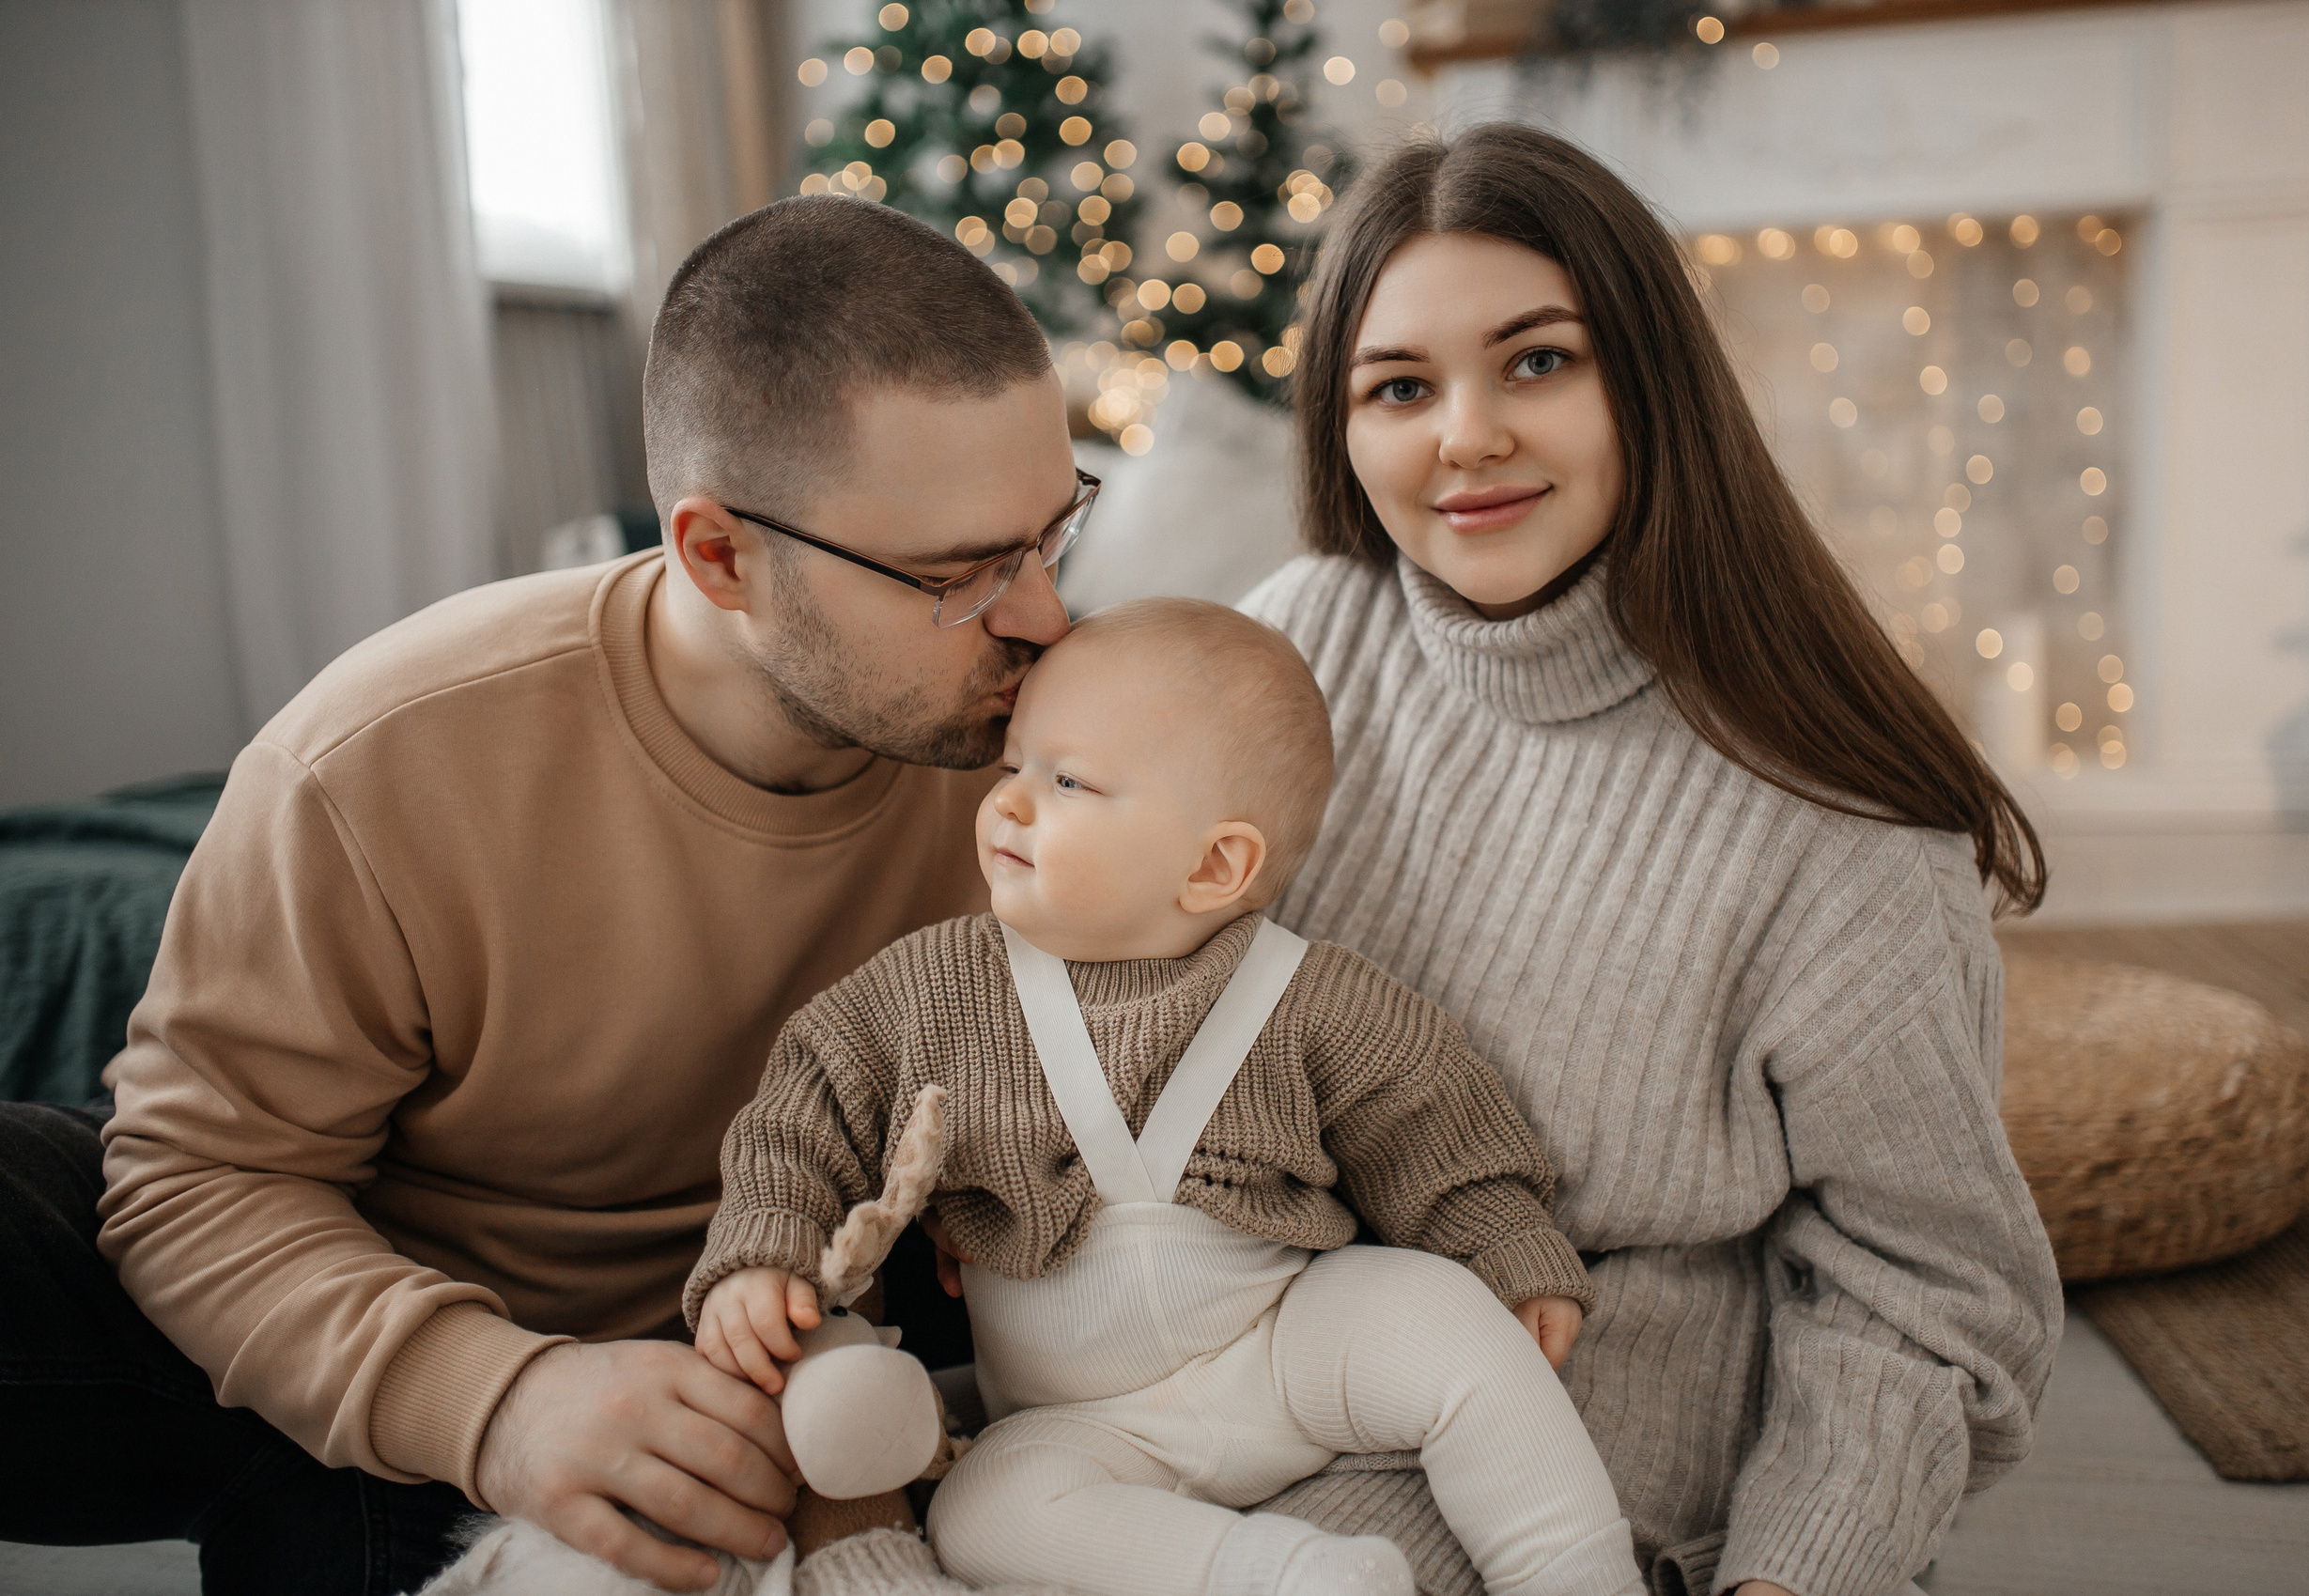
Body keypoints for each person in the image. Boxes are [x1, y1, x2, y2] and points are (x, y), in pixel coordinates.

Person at [0, 194, 1089, 1596]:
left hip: (822, 1374)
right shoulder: (377, 760)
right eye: (961, 576)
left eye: (1053, 535)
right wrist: (497, 1400)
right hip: (411, 1350)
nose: (1043, 616)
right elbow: (195, 1179)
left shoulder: (1068, 738)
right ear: (720, 556)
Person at [1228, 125, 2067, 1596]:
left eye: (1538, 361)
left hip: (1576, 1434)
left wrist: (1795, 1571)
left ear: (1651, 382)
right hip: (1244, 1349)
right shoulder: (1293, 641)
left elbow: (1929, 1288)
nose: (1466, 435)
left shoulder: (1836, 817)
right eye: (1400, 387)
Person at [686, 598, 1646, 1596]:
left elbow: (1435, 1127)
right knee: (981, 1511)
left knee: (1446, 1317)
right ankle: (1290, 1579)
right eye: (1013, 766)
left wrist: (1504, 1245)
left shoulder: (1311, 997)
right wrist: (765, 1249)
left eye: (1066, 781)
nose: (1009, 804)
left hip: (1281, 1341)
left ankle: (1578, 1575)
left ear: (1215, 865)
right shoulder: (930, 990)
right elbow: (804, 1112)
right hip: (1076, 1421)